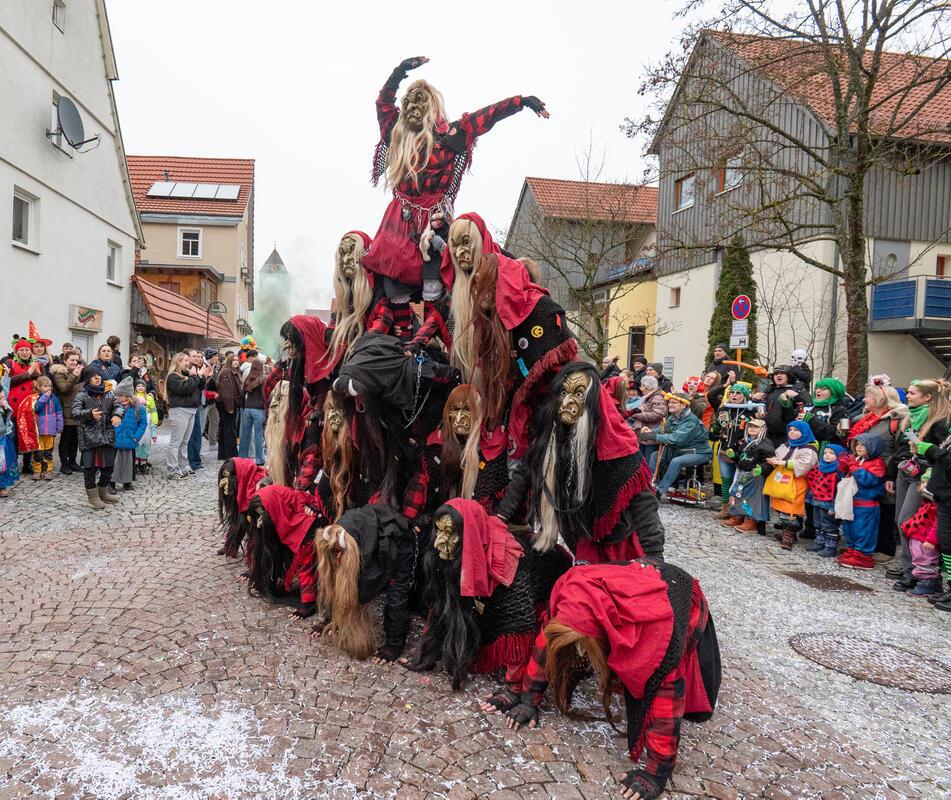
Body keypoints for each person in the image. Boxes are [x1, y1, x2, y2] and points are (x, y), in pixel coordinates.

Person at [500, 560, 720, 800]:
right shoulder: (570, 596)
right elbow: (546, 646)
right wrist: (528, 700)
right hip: (632, 585)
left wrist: (656, 773)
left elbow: (665, 700)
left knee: (661, 678)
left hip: (677, 596)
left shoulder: (654, 637)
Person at [365, 56, 548, 296]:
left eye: (419, 103)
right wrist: (399, 72)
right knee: (387, 275)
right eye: (408, 103)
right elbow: (384, 103)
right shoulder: (395, 133)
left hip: (435, 218)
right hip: (399, 223)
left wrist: (520, 102)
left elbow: (486, 117)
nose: (412, 109)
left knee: (450, 270)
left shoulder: (449, 136)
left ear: (431, 108)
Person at [497, 362, 665, 564]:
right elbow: (523, 477)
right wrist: (500, 518)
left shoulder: (619, 447)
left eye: (578, 394)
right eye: (563, 392)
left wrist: (654, 556)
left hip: (621, 545)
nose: (567, 402)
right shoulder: (549, 439)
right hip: (583, 539)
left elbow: (644, 504)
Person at [888, 379, 951, 592]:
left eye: (913, 393)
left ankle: (919, 573)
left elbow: (941, 454)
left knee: (909, 522)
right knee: (900, 521)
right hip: (905, 471)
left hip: (922, 476)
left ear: (928, 397)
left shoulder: (939, 421)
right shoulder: (910, 417)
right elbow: (901, 448)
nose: (908, 396)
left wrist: (928, 474)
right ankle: (908, 566)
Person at [848, 379, 907, 566]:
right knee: (867, 511)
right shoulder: (865, 418)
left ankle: (885, 549)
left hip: (884, 470)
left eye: (869, 397)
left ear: (882, 399)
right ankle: (862, 546)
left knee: (885, 510)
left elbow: (899, 448)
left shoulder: (897, 421)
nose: (865, 400)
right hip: (862, 468)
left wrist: (890, 473)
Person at [72, 365, 122, 509]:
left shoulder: (109, 394)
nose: (98, 377)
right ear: (88, 379)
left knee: (108, 467)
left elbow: (118, 406)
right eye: (94, 376)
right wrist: (89, 414)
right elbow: (75, 413)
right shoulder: (82, 395)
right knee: (90, 469)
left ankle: (103, 491)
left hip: (107, 437)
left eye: (99, 375)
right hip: (89, 438)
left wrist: (117, 414)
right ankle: (93, 497)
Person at [645, 394, 713, 497]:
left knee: (676, 461)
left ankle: (660, 491)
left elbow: (675, 438)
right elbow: (663, 429)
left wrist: (654, 436)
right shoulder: (673, 417)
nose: (670, 404)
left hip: (698, 452)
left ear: (683, 405)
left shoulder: (691, 420)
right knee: (655, 455)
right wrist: (650, 431)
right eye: (670, 402)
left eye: (674, 402)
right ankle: (648, 486)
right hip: (681, 451)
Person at [766, 420, 818, 550]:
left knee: (791, 508)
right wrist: (773, 461)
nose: (792, 433)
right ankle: (787, 532)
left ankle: (789, 534)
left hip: (796, 481)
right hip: (782, 480)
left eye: (796, 430)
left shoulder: (808, 449)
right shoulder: (787, 445)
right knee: (781, 506)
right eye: (790, 430)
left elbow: (805, 465)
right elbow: (778, 456)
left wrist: (784, 463)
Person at [837, 433, 886, 570]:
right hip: (851, 500)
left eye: (863, 445)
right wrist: (843, 465)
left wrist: (853, 466)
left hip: (867, 503)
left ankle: (863, 557)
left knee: (864, 530)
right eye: (857, 444)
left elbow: (868, 481)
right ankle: (853, 551)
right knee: (849, 528)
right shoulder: (856, 459)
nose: (859, 447)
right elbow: (843, 475)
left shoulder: (877, 463)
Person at [710, 383, 755, 518]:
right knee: (726, 481)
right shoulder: (723, 409)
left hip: (741, 453)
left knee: (740, 483)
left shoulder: (750, 410)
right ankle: (725, 509)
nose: (734, 395)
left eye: (738, 393)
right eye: (732, 393)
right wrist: (716, 434)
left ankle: (739, 512)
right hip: (724, 451)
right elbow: (716, 428)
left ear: (745, 396)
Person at [722, 416, 775, 534]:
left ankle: (751, 521)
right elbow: (742, 458)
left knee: (752, 499)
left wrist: (761, 469)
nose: (751, 428)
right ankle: (737, 516)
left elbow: (770, 461)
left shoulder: (765, 444)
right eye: (750, 426)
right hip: (742, 474)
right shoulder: (747, 442)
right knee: (737, 494)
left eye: (755, 427)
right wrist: (734, 456)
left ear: (763, 429)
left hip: (755, 477)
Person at [165, 352, 208, 479]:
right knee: (176, 442)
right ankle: (172, 469)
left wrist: (202, 377)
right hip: (179, 410)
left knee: (185, 442)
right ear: (178, 362)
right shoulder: (173, 377)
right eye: (185, 361)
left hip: (190, 410)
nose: (188, 363)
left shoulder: (187, 375)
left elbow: (198, 388)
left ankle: (183, 467)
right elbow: (185, 389)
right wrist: (194, 376)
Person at [805, 444, 847, 557]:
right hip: (818, 500)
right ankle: (820, 542)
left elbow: (839, 490)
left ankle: (830, 546)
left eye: (831, 453)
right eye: (825, 453)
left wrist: (834, 506)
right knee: (818, 522)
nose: (827, 455)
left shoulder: (839, 471)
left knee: (829, 525)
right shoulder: (821, 467)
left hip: (829, 503)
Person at [110, 377, 148, 491]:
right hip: (116, 438)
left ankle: (127, 482)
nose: (118, 398)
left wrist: (136, 437)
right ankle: (110, 482)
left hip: (130, 439)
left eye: (120, 396)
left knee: (129, 462)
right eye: (117, 395)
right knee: (113, 462)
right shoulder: (114, 406)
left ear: (128, 395)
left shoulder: (138, 408)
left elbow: (143, 423)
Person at [51, 351, 84, 474]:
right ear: (65, 361)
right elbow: (64, 389)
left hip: (78, 410)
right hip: (65, 409)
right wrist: (74, 375)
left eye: (77, 360)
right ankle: (64, 464)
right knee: (66, 438)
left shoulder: (80, 372)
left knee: (75, 438)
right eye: (72, 360)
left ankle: (73, 462)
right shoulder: (59, 373)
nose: (75, 362)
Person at [630, 375, 667, 469]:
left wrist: (638, 414)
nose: (640, 388)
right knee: (642, 462)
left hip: (651, 435)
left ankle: (649, 482)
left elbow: (659, 414)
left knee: (648, 463)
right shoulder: (648, 397)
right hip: (644, 435)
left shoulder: (657, 397)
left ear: (646, 387)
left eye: (641, 385)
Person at [802, 377, 850, 447]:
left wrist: (812, 420)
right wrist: (787, 406)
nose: (817, 391)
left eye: (823, 388)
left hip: (826, 452)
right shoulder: (810, 406)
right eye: (816, 388)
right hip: (803, 449)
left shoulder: (841, 410)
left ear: (834, 391)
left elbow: (837, 435)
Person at [32, 375, 63, 480]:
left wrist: (59, 426)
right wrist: (44, 397)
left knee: (48, 452)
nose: (48, 388)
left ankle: (48, 470)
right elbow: (36, 408)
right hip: (39, 431)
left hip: (50, 431)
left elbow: (59, 413)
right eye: (45, 386)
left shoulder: (55, 399)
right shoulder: (37, 398)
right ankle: (37, 470)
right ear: (39, 387)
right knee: (38, 452)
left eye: (50, 386)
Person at [238, 357, 266, 466]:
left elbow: (242, 392)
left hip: (247, 409)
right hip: (259, 409)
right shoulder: (263, 378)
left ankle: (242, 457)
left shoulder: (248, 377)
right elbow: (265, 395)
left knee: (245, 434)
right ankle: (259, 459)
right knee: (259, 435)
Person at [186, 350, 209, 471]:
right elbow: (190, 387)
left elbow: (200, 387)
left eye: (199, 356)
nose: (197, 358)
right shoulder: (187, 370)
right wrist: (197, 376)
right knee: (192, 435)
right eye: (194, 356)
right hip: (189, 405)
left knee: (196, 434)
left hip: (196, 404)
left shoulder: (197, 369)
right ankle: (192, 461)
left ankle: (195, 460)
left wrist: (202, 377)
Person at [216, 354, 242, 460]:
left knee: (225, 428)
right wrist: (230, 407)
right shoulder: (227, 371)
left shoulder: (231, 371)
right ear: (229, 361)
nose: (236, 362)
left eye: (237, 360)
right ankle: (230, 455)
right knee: (229, 430)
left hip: (227, 403)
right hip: (227, 403)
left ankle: (223, 454)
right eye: (233, 360)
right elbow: (226, 392)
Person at [134, 379, 158, 475]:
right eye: (138, 386)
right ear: (135, 387)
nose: (140, 387)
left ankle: (143, 464)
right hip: (137, 423)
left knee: (146, 448)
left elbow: (153, 410)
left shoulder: (149, 398)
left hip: (148, 423)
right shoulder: (133, 397)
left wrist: (154, 420)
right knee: (137, 447)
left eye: (142, 386)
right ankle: (135, 465)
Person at [0, 387, 18, 498]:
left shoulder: (3, 404)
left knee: (3, 463)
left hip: (2, 438)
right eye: (0, 392)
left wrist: (6, 409)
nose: (2, 394)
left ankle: (2, 486)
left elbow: (7, 420)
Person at [203, 349, 220, 446]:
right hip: (204, 400)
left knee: (215, 421)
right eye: (215, 356)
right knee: (201, 424)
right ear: (210, 356)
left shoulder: (215, 367)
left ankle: (212, 442)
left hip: (213, 400)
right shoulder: (204, 367)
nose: (217, 358)